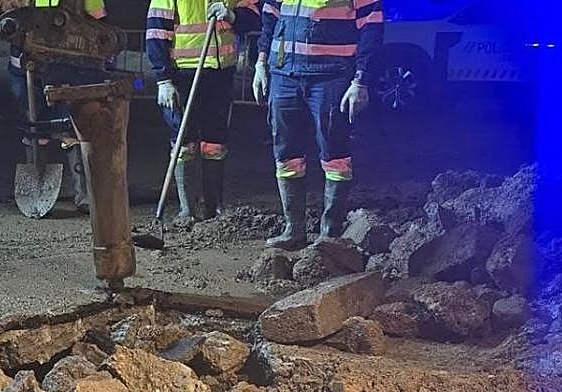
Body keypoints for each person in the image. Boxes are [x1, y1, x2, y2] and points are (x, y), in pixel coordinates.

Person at [252, 0, 384, 248]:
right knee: (286, 153)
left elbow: (371, 26)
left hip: (331, 75)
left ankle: (329, 235)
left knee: (335, 154)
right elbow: (269, 19)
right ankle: (294, 231)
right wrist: (260, 63)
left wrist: (361, 81)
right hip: (284, 74)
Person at [146, 0, 259, 225]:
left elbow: (255, 16)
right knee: (183, 140)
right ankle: (186, 210)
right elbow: (157, 29)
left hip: (220, 72)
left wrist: (232, 16)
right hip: (183, 73)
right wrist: (163, 79)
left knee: (215, 142)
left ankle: (213, 207)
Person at [6, 0, 109, 213]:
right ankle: (41, 186)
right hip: (28, 65)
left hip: (66, 63)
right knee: (34, 126)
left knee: (70, 125)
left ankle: (84, 194)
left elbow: (99, 23)